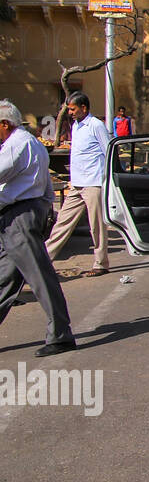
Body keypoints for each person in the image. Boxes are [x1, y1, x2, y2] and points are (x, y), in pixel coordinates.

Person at [0, 100, 77, 356]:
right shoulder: (29, 143)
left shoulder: (17, 145)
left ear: (4, 124)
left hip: (19, 217)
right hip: (21, 215)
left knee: (40, 277)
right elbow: (44, 188)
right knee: (5, 280)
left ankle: (60, 334)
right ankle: (60, 332)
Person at [45, 91, 112, 277]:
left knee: (96, 225)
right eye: (69, 110)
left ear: (84, 108)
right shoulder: (76, 126)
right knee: (62, 222)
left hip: (93, 183)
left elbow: (108, 151)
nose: (71, 113)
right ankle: (44, 258)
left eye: (73, 109)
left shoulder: (96, 125)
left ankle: (101, 263)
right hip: (76, 183)